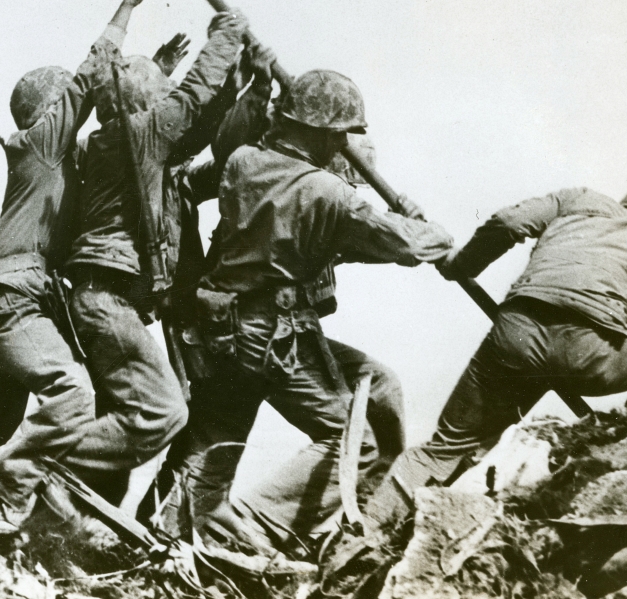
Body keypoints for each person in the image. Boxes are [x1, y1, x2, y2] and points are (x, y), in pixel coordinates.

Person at [0, 0, 162, 532]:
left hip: (2, 301)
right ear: (49, 110)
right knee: (72, 394)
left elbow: (122, 119)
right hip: (14, 299)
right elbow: (90, 78)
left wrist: (163, 72)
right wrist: (128, 3)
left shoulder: (57, 162)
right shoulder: (41, 144)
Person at [181, 70, 453, 554]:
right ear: (323, 133)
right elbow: (407, 245)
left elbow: (338, 240)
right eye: (340, 135)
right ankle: (251, 528)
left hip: (224, 326)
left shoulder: (245, 162)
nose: (343, 145)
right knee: (354, 442)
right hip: (273, 334)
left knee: (218, 439)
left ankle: (177, 528)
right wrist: (429, 229)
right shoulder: (326, 192)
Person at [364, 173, 627, 534]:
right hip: (588, 355)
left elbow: (507, 222)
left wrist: (463, 266)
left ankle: (365, 529)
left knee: (445, 447)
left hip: (514, 337)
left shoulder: (580, 199)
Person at [146, 130, 409, 540]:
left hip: (283, 336)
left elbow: (360, 241)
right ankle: (206, 530)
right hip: (244, 334)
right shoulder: (278, 183)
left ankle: (371, 513)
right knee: (212, 446)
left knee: (379, 388)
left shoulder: (321, 202)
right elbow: (189, 181)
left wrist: (400, 233)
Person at [55, 7, 251, 506]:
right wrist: (227, 36)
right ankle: (39, 468)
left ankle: (80, 517)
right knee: (163, 412)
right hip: (107, 302)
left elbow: (201, 124)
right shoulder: (136, 135)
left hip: (109, 303)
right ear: (147, 105)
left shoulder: (126, 146)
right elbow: (191, 101)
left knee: (124, 423)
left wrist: (245, 84)